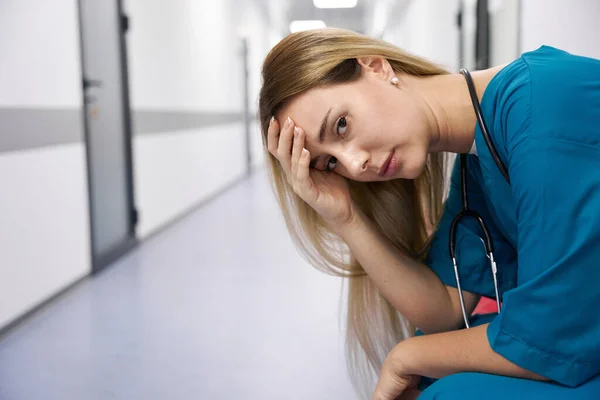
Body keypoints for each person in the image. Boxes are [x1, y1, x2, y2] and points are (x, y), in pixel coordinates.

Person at [257, 27, 600, 399]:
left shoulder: (539, 107)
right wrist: (346, 218)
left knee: (447, 391)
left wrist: (405, 356)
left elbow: (550, 337)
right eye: (329, 164)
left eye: (342, 125)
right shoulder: (479, 158)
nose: (355, 165)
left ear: (375, 66)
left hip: (568, 338)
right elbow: (445, 309)